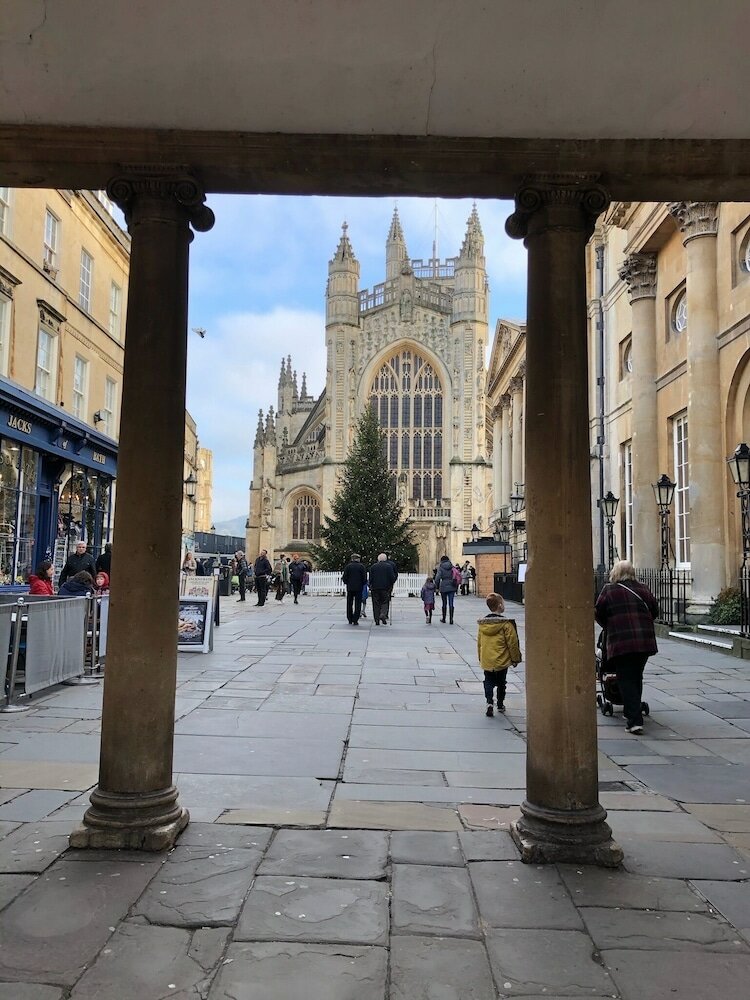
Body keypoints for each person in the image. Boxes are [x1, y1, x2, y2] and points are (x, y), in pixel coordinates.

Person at [595, 559, 658, 735]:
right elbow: (654, 611)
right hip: (644, 641)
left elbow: (598, 613)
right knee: (636, 676)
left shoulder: (609, 590)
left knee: (626, 678)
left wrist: (609, 626)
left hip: (621, 641)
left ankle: (634, 720)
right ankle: (633, 710)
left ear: (615, 572)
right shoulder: (643, 588)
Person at [477, 592, 521, 716]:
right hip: (501, 660)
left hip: (487, 659)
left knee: (488, 681)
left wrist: (481, 657)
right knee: (502, 683)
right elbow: (512, 643)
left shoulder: (482, 625)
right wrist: (515, 659)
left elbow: (479, 643)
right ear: (500, 606)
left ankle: (489, 702)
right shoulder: (506, 624)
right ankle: (500, 704)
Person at [368, 553, 397, 626]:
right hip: (385, 588)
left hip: (375, 588)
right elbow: (392, 577)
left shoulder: (373, 567)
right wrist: (391, 584)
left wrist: (370, 586)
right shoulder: (389, 566)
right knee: (385, 602)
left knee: (376, 604)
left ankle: (377, 620)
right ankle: (383, 613)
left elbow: (370, 578)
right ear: (385, 559)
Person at [342, 553, 367, 625]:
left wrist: (347, 583)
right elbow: (364, 578)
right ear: (358, 559)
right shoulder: (361, 567)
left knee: (349, 603)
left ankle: (349, 618)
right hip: (359, 587)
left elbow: (344, 577)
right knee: (358, 603)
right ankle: (355, 619)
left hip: (350, 587)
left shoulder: (348, 567)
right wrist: (362, 584)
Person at [434, 554, 459, 624]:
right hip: (452, 586)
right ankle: (451, 619)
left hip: (444, 586)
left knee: (444, 603)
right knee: (451, 603)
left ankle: (444, 618)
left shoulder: (441, 567)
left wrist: (437, 587)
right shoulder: (452, 566)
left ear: (441, 560)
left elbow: (437, 578)